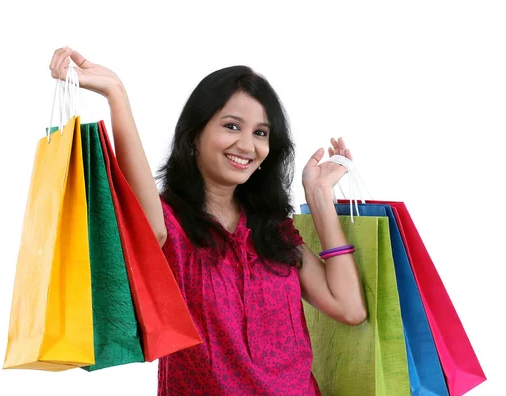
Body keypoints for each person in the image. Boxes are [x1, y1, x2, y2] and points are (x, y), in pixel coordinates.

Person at [49, 47, 368, 395]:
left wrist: (319, 197)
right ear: (195, 133)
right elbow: (148, 230)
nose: (247, 145)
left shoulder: (271, 231)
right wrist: (117, 96)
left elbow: (349, 307)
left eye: (260, 133)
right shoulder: (170, 225)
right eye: (232, 126)